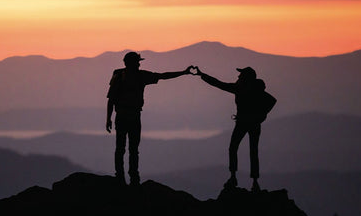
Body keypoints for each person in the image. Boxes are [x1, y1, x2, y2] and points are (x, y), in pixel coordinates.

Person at [106, 52, 192, 186]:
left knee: (122, 148)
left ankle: (122, 177)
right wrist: (183, 72)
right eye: (137, 62)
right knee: (131, 149)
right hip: (132, 116)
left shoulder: (120, 76)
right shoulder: (138, 76)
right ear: (132, 63)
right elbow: (162, 76)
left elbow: (111, 100)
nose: (139, 64)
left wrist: (108, 118)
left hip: (123, 116)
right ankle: (132, 178)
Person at [191, 65, 275, 192]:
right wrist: (261, 116)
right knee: (253, 150)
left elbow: (218, 84)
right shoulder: (256, 90)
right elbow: (272, 101)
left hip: (242, 122)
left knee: (233, 148)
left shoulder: (240, 88)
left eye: (241, 75)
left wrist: (202, 75)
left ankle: (233, 177)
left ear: (246, 77)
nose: (238, 76)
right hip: (255, 123)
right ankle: (255, 182)